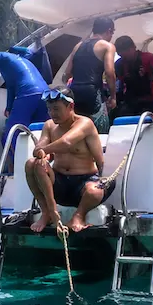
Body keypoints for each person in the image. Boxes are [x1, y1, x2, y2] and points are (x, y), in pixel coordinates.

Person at [24, 88, 116, 233]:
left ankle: (79, 215)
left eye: (56, 109)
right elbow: (39, 148)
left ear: (70, 106)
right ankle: (48, 211)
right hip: (59, 185)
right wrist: (41, 153)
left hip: (84, 183)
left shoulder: (85, 123)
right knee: (31, 164)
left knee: (94, 191)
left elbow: (66, 142)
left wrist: (43, 150)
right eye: (49, 109)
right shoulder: (49, 125)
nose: (52, 113)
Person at [0, 46, 49, 146]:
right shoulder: (17, 61)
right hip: (45, 93)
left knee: (11, 133)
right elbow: (11, 88)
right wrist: (9, 107)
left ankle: (15, 160)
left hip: (28, 93)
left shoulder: (1, 56)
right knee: (41, 128)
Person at [60, 16, 116, 133]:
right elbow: (110, 73)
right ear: (109, 31)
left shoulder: (78, 46)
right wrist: (113, 97)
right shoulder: (107, 46)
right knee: (98, 131)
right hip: (93, 93)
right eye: (112, 33)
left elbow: (67, 73)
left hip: (75, 92)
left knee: (79, 129)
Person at [112, 35, 153, 118]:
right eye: (120, 55)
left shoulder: (148, 58)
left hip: (149, 102)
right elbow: (117, 85)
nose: (123, 57)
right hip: (129, 103)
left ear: (133, 48)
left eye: (125, 53)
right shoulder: (119, 64)